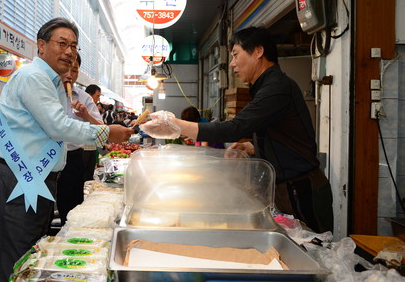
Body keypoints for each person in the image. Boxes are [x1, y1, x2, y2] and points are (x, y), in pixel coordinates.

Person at [0, 17, 133, 282]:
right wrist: (106, 133)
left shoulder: (50, 82)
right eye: (61, 43)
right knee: (12, 262)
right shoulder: (33, 77)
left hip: (35, 180)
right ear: (41, 45)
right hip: (18, 179)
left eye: (73, 46)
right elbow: (58, 127)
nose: (69, 51)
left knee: (29, 259)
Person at [142, 27, 333, 233]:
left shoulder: (276, 87)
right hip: (288, 188)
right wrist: (250, 147)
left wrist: (176, 125)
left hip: (301, 190)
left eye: (235, 55)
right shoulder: (266, 86)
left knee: (314, 248)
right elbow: (281, 133)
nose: (232, 63)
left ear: (258, 52)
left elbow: (235, 127)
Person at [56, 54, 104, 225]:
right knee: (41, 209)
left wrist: (86, 115)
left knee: (70, 210)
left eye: (74, 70)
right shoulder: (46, 93)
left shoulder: (84, 98)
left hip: (73, 157)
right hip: (45, 157)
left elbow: (101, 129)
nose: (69, 74)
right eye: (66, 68)